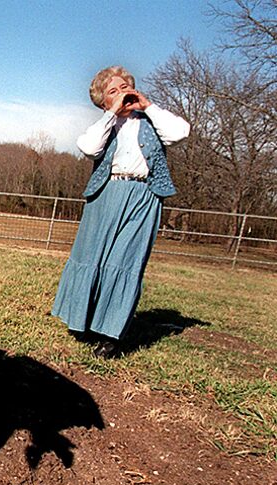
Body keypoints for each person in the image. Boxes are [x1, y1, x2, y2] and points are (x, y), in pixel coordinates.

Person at [51, 65, 190, 357]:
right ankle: (83, 321)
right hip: (106, 194)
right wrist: (111, 113)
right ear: (103, 101)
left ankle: (110, 335)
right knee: (92, 257)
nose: (121, 94)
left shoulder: (150, 120)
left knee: (125, 260)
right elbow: (88, 147)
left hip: (143, 195)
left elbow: (180, 132)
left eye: (124, 87)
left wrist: (147, 105)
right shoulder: (104, 125)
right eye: (112, 91)